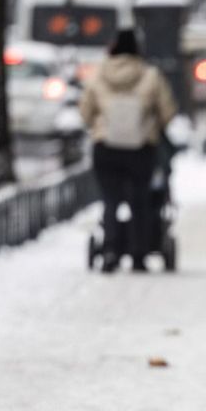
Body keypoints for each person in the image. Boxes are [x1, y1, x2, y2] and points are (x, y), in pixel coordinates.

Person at [80, 29, 176, 273]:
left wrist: (102, 125)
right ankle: (138, 254)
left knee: (111, 200)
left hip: (106, 148)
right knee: (140, 200)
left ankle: (111, 249)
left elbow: (85, 113)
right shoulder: (150, 75)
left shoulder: (99, 74)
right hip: (140, 149)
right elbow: (168, 112)